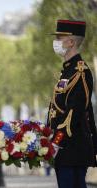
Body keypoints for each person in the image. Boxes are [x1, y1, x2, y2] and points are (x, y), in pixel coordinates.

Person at [47, 20, 97, 188]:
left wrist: (56, 141)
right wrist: (47, 133)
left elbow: (73, 113)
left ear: (71, 42)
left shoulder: (80, 72)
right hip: (64, 149)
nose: (56, 42)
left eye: (60, 38)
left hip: (72, 147)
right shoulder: (68, 71)